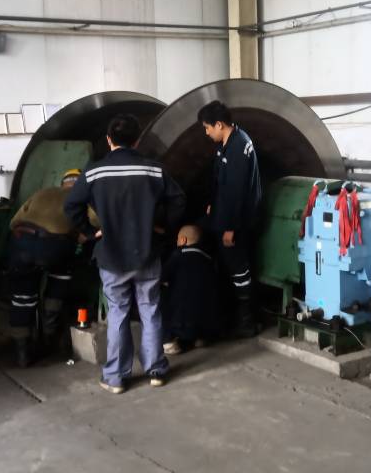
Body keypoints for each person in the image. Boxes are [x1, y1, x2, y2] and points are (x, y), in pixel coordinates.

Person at [65, 114, 186, 394]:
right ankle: (156, 371)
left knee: (118, 312)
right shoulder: (154, 170)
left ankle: (116, 377)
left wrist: (91, 231)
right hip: (147, 252)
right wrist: (163, 228)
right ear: (137, 140)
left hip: (112, 254)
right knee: (150, 309)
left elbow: (71, 206)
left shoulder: (94, 172)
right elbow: (179, 200)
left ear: (109, 140)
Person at [7, 169, 85, 368]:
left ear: (63, 182)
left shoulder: (42, 193)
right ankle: (50, 333)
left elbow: (13, 221)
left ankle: (22, 352)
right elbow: (95, 222)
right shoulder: (80, 196)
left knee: (22, 298)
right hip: (53, 247)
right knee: (61, 275)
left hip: (21, 244)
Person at [198, 100, 262, 338]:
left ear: (219, 124)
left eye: (207, 128)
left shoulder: (239, 146)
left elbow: (237, 192)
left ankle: (247, 322)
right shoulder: (225, 144)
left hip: (236, 222)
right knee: (229, 265)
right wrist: (211, 204)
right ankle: (231, 315)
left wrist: (230, 228)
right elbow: (220, 181)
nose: (207, 133)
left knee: (239, 269)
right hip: (222, 215)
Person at [162, 225, 221, 355]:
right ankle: (200, 338)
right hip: (207, 325)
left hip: (180, 325)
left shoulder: (178, 255)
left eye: (177, 239)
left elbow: (161, 277)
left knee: (156, 295)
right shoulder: (209, 259)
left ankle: (169, 342)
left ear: (182, 240)